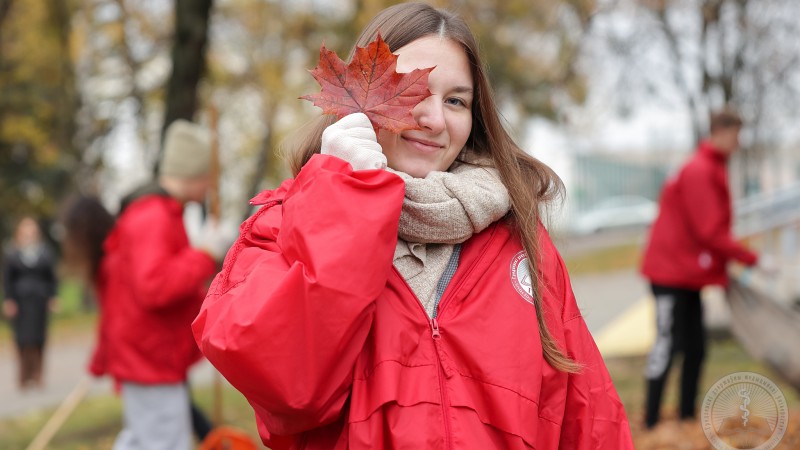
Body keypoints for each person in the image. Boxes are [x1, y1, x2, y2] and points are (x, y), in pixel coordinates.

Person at [193, 3, 634, 449]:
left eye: (456, 101)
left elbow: (588, 415)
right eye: (413, 91)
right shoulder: (281, 226)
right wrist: (343, 199)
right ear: (359, 100)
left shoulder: (520, 241)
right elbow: (289, 388)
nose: (435, 119)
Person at [73, 120, 231, 450]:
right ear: (195, 174)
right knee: (164, 443)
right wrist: (204, 255)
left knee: (143, 440)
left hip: (148, 358)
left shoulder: (153, 214)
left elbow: (122, 294)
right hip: (150, 361)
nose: (211, 187)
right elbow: (155, 287)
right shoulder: (153, 218)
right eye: (209, 178)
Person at [640, 108, 760, 429]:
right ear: (720, 132)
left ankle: (687, 417)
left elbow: (708, 231)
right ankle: (650, 422)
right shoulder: (700, 170)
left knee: (695, 348)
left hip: (688, 274)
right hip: (669, 273)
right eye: (736, 135)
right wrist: (751, 260)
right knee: (667, 345)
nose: (738, 142)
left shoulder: (710, 167)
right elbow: (709, 231)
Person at [2, 217, 58, 390]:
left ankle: (38, 374)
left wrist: (53, 297)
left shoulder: (45, 253)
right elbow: (7, 279)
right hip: (21, 302)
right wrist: (9, 299)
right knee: (22, 339)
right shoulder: (12, 253)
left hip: (39, 300)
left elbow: (52, 277)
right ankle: (23, 376)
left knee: (39, 338)